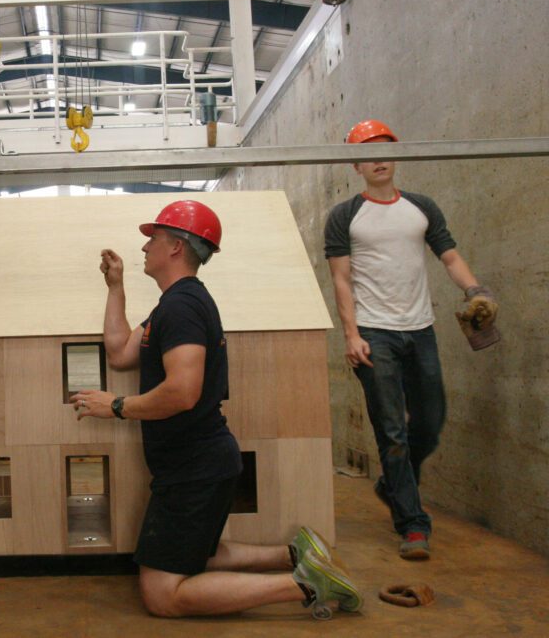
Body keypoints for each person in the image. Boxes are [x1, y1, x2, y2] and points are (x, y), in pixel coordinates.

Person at [71, 200, 362, 619]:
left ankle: (305, 584)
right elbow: (119, 353)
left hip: (195, 467)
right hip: (195, 465)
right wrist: (115, 287)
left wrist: (115, 406)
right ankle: (295, 554)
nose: (145, 247)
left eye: (153, 238)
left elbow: (183, 392)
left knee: (162, 594)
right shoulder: (171, 306)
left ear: (176, 246)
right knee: (195, 555)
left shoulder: (183, 307)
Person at [324, 119, 498, 560]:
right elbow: (341, 281)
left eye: (385, 149)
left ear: (395, 155)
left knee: (430, 422)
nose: (379, 158)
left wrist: (475, 290)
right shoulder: (345, 216)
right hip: (374, 335)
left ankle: (391, 485)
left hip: (420, 330)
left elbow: (450, 257)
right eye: (369, 152)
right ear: (356, 165)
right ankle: (413, 523)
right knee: (393, 432)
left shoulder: (422, 207)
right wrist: (351, 335)